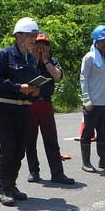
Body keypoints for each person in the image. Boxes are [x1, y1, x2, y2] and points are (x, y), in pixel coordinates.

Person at [0, 17, 41, 206]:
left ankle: (12, 185)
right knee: (7, 150)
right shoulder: (5, 55)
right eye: (29, 35)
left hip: (24, 109)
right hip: (5, 108)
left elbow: (33, 84)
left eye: (35, 36)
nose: (33, 39)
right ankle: (3, 189)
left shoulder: (32, 59)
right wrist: (19, 87)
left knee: (19, 150)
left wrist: (35, 91)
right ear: (18, 36)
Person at [25, 32, 74, 185]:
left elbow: (58, 76)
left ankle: (57, 173)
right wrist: (34, 60)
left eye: (44, 46)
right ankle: (34, 171)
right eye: (37, 45)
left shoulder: (52, 61)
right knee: (30, 141)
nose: (40, 49)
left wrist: (45, 61)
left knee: (51, 141)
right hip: (30, 105)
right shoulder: (27, 61)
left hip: (45, 105)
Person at [79, 25, 105, 172]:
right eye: (102, 41)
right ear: (96, 41)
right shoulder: (89, 57)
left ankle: (104, 160)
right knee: (88, 133)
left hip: (104, 102)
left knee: (103, 132)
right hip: (92, 102)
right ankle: (86, 162)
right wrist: (86, 99)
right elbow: (83, 78)